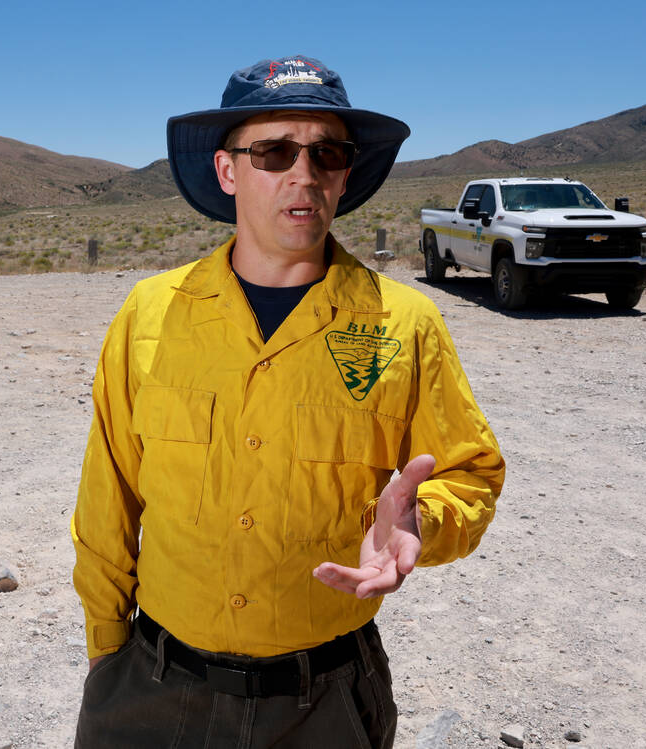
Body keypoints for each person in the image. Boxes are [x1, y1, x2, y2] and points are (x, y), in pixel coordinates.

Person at [71, 55, 505, 748]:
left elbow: (472, 472)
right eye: (274, 151)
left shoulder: (404, 325)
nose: (303, 172)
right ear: (228, 171)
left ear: (344, 174)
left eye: (326, 152)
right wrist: (106, 651)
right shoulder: (149, 314)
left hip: (324, 703)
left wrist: (423, 520)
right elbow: (108, 495)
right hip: (152, 689)